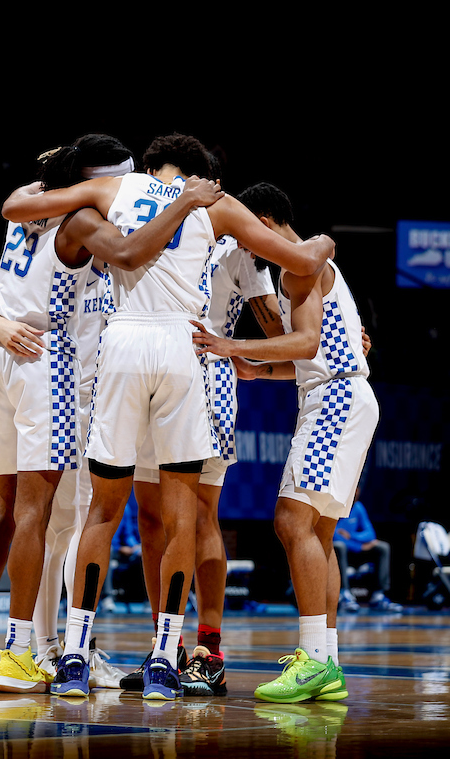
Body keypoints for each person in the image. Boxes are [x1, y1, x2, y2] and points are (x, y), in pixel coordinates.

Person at [2, 134, 335, 701]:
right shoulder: (215, 204)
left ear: (151, 167)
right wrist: (326, 240)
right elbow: (303, 261)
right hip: (184, 353)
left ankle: (76, 655)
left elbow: (16, 210)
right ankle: (164, 658)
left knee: (104, 511)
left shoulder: (113, 188)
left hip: (124, 347)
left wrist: (39, 186)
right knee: (183, 517)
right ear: (204, 178)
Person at [0, 135, 219, 694]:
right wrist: (184, 203)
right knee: (51, 520)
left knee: (22, 516)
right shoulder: (86, 225)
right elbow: (126, 254)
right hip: (54, 368)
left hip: (8, 355)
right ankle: (32, 650)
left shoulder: (30, 206)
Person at [193, 181, 378, 703]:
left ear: (267, 220)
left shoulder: (299, 266)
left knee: (291, 521)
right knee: (317, 532)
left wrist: (233, 343)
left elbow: (307, 343)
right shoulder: (299, 267)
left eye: (249, 230)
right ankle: (329, 660)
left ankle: (314, 659)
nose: (245, 241)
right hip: (338, 393)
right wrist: (256, 369)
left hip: (336, 399)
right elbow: (303, 359)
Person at [125, 232, 281, 697]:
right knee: (150, 518)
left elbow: (277, 323)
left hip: (206, 377)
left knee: (198, 516)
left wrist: (335, 333)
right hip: (150, 372)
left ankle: (209, 652)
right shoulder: (152, 224)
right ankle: (164, 646)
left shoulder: (238, 247)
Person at [333, 492, 403, 612]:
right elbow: (334, 535)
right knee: (339, 546)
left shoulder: (358, 507)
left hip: (354, 546)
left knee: (382, 547)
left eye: (357, 489)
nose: (355, 492)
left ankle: (378, 595)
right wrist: (360, 547)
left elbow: (370, 534)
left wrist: (352, 536)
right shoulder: (333, 507)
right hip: (338, 550)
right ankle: (344, 594)